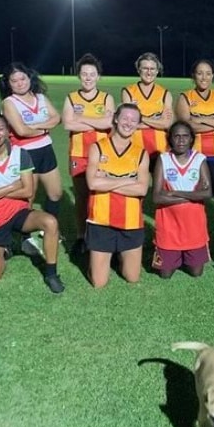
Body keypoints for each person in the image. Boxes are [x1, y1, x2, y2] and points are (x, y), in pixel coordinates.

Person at [0, 103, 65, 293]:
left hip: (18, 213)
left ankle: (51, 273)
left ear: (8, 130)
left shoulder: (21, 154)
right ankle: (4, 247)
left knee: (50, 222)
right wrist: (13, 186)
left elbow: (27, 191)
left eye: (0, 128)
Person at [0, 62, 63, 256]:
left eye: (23, 78)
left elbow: (57, 118)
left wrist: (35, 127)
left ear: (29, 78)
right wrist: (44, 128)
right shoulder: (9, 103)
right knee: (28, 198)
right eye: (14, 80)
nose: (19, 83)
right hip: (25, 154)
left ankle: (48, 228)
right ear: (8, 83)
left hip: (45, 150)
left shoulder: (40, 97)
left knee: (55, 193)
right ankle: (24, 238)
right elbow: (21, 131)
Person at [85, 103, 150, 288]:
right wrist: (129, 180)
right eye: (125, 118)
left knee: (132, 277)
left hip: (130, 222)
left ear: (138, 125)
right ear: (115, 118)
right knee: (99, 282)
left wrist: (108, 180)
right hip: (101, 221)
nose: (128, 123)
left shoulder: (141, 154)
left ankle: (116, 256)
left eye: (133, 120)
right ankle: (100, 259)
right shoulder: (98, 148)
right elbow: (93, 183)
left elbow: (142, 189)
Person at [175, 59, 214, 245]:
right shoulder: (185, 97)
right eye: (200, 73)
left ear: (213, 76)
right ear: (193, 76)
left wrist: (200, 120)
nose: (204, 77)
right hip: (194, 156)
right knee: (194, 194)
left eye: (208, 73)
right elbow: (187, 127)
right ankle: (192, 234)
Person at [61, 53, 116, 256]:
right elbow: (67, 123)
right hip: (78, 154)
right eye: (84, 74)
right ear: (79, 76)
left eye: (92, 74)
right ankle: (81, 236)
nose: (88, 78)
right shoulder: (71, 97)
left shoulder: (106, 98)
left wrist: (81, 118)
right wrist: (97, 120)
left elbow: (109, 123)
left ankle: (103, 235)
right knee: (82, 197)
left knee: (102, 195)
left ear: (98, 76)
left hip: (102, 154)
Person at [151, 121, 213, 279]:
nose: (181, 140)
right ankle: (170, 254)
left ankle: (185, 255)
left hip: (194, 225)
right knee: (165, 274)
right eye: (176, 136)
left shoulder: (199, 159)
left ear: (192, 139)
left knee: (196, 272)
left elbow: (207, 193)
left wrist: (175, 193)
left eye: (185, 136)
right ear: (170, 139)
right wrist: (192, 197)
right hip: (169, 225)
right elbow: (157, 196)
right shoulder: (163, 160)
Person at [120, 52, 173, 159]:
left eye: (152, 69)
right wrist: (157, 120)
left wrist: (140, 118)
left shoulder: (165, 94)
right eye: (145, 68)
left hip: (160, 148)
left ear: (157, 71)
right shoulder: (128, 92)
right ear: (139, 70)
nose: (149, 72)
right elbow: (127, 124)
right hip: (134, 147)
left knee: (159, 176)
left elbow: (166, 124)